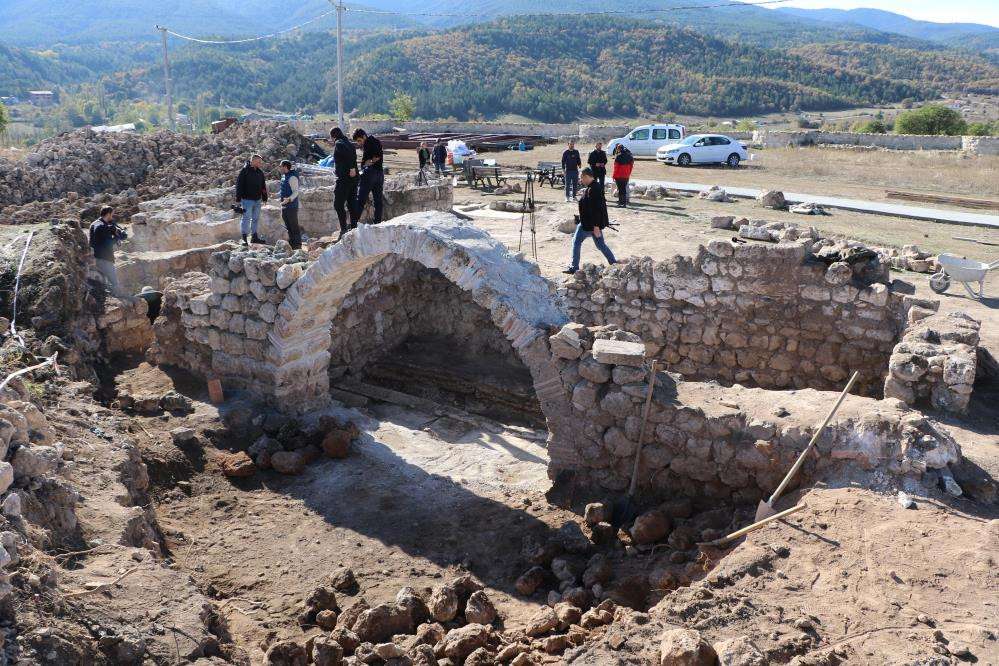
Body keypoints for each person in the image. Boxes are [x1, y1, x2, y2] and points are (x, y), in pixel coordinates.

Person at [564, 167, 616, 274]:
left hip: (589, 224)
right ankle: (614, 263)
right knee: (600, 245)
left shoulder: (594, 189)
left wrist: (596, 226)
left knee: (576, 241)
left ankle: (574, 267)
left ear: (587, 176)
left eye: (581, 178)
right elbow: (589, 206)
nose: (580, 180)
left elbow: (597, 209)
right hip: (589, 223)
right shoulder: (592, 187)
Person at [89, 206, 127, 295]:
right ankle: (119, 299)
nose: (112, 217)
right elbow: (107, 243)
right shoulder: (101, 226)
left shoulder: (97, 223)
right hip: (104, 257)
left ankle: (108, 296)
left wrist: (118, 231)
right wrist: (117, 237)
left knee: (104, 280)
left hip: (98, 256)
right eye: (112, 214)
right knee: (113, 281)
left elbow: (120, 233)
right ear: (109, 214)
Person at [352, 128, 385, 224]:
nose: (359, 143)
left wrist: (367, 163)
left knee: (360, 200)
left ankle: (353, 224)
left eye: (359, 140)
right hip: (379, 173)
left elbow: (377, 157)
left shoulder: (369, 143)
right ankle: (377, 223)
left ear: (364, 136)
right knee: (378, 201)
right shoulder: (376, 141)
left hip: (370, 174)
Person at [330, 127, 358, 236]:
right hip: (353, 179)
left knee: (338, 204)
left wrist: (351, 168)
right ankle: (354, 227)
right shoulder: (349, 142)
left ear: (333, 136)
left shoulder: (339, 143)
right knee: (351, 203)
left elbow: (349, 156)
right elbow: (353, 155)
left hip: (345, 179)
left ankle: (344, 229)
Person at [235, 153, 268, 244]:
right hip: (247, 200)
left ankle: (254, 237)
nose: (260, 163)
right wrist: (238, 199)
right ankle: (244, 238)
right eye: (258, 162)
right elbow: (239, 185)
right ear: (252, 161)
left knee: (256, 219)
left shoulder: (260, 172)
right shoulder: (244, 171)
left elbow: (263, 186)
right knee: (246, 218)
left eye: (260, 162)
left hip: (258, 200)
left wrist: (265, 197)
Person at [278, 160, 302, 250]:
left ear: (285, 167)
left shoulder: (292, 177)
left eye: (280, 166)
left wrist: (289, 199)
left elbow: (296, 191)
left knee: (293, 225)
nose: (279, 168)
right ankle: (292, 244)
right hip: (284, 205)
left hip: (291, 206)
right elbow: (283, 190)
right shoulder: (284, 176)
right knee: (288, 225)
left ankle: (298, 245)